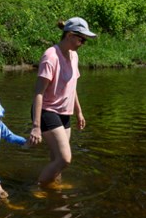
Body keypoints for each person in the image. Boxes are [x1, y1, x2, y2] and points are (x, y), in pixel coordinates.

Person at [28, 17, 97, 187]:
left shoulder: (74, 56)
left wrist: (79, 112)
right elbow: (38, 93)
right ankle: (39, 186)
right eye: (81, 39)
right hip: (47, 111)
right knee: (65, 158)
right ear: (69, 35)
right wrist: (36, 126)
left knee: (57, 158)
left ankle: (54, 185)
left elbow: (72, 87)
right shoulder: (50, 56)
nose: (83, 43)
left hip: (65, 113)